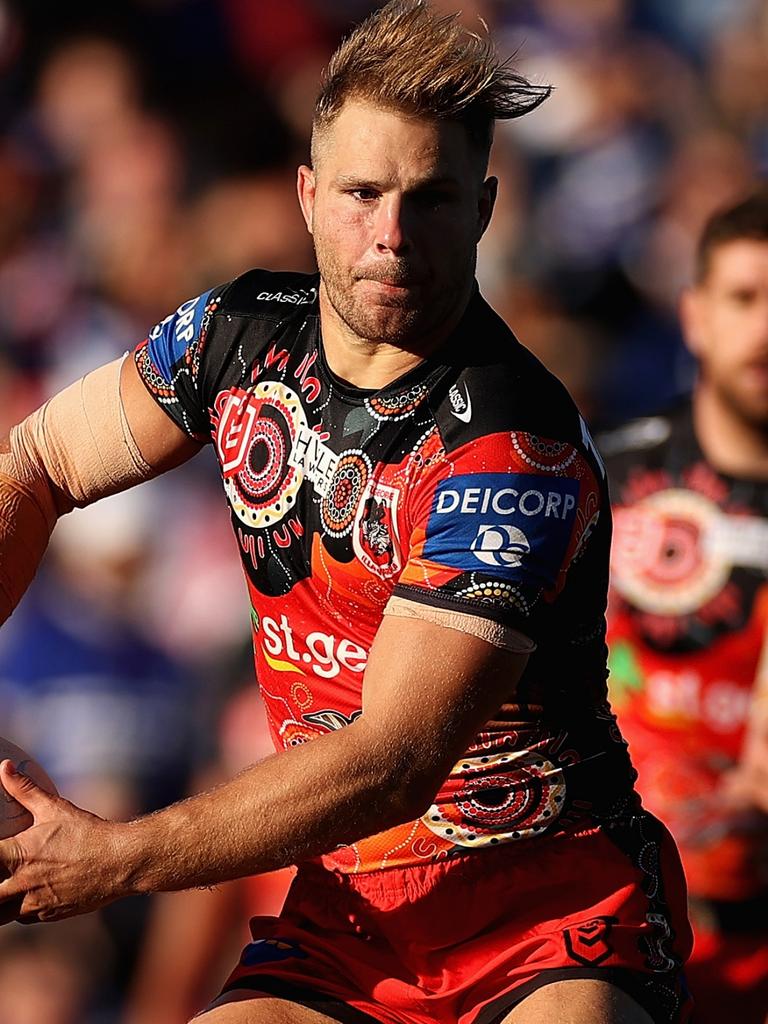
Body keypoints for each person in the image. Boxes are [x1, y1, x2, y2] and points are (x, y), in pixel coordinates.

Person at [0, 3, 692, 1022]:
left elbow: (392, 759)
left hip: (553, 923)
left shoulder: (511, 444)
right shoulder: (230, 335)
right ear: (308, 194)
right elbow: (38, 461)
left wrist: (121, 856)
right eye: (363, 194)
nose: (392, 236)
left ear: (487, 208)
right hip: (352, 919)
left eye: (433, 198)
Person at [601, 191, 768, 1024]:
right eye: (745, 299)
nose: (767, 331)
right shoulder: (608, 476)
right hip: (618, 902)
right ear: (694, 317)